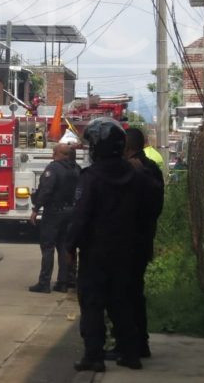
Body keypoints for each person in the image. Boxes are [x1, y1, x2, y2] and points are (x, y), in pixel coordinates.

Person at [67, 118, 155, 372]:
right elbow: (150, 208)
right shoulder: (137, 175)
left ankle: (93, 356)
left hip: (96, 252)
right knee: (122, 301)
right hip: (127, 250)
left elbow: (81, 216)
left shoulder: (91, 177)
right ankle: (130, 354)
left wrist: (70, 246)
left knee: (92, 303)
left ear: (97, 147)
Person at [112, 127, 165, 360]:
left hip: (128, 242)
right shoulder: (151, 168)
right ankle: (140, 343)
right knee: (134, 292)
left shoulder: (134, 170)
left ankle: (128, 346)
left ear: (127, 147)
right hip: (143, 240)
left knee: (124, 294)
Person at [28, 143, 80, 293]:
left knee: (48, 246)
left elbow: (46, 190)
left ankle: (44, 283)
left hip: (53, 213)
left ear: (60, 154)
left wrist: (36, 209)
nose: (52, 155)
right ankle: (63, 283)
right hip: (70, 212)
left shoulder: (53, 168)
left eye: (54, 152)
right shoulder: (77, 169)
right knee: (63, 247)